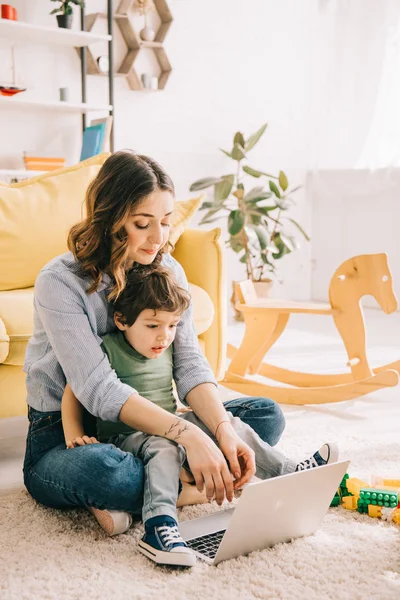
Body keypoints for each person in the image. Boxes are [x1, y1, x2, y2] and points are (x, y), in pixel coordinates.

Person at [22, 150, 337, 560]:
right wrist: (189, 435)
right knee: (104, 472)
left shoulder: (167, 268)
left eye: (166, 222)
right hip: (73, 433)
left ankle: (169, 480)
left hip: (157, 414)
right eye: (142, 224)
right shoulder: (60, 282)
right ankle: (184, 486)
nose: (158, 238)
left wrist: (220, 430)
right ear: (109, 219)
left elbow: (189, 365)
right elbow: (98, 390)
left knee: (261, 416)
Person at [61, 266, 339, 567]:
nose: (164, 336)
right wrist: (75, 437)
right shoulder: (108, 348)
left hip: (173, 425)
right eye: (153, 325)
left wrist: (208, 427)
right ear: (122, 320)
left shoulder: (166, 348)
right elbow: (74, 391)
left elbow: (182, 399)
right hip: (127, 438)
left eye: (172, 326)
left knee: (230, 425)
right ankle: (159, 526)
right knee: (163, 448)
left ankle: (291, 474)